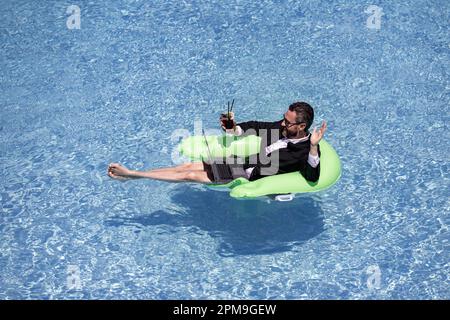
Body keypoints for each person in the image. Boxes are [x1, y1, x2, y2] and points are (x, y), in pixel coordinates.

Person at [107, 101, 327, 184]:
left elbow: (312, 176)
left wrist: (315, 146)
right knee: (186, 166)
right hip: (240, 162)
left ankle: (133, 175)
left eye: (287, 123)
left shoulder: (304, 150)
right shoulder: (281, 128)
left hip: (247, 174)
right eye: (283, 118)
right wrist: (235, 128)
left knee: (189, 175)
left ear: (301, 126)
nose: (281, 124)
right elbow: (257, 125)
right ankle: (135, 174)